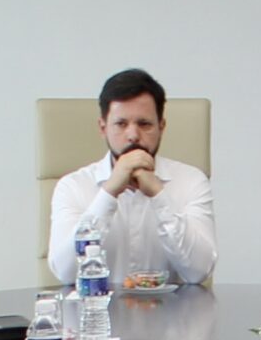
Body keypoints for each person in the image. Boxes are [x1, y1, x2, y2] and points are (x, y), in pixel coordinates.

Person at [47, 67, 216, 287]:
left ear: (161, 127)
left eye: (144, 124)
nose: (133, 135)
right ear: (103, 128)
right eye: (121, 124)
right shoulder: (73, 186)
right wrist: (109, 192)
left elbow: (198, 272)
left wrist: (159, 195)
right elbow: (65, 272)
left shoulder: (191, 181)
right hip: (97, 308)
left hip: (170, 310)